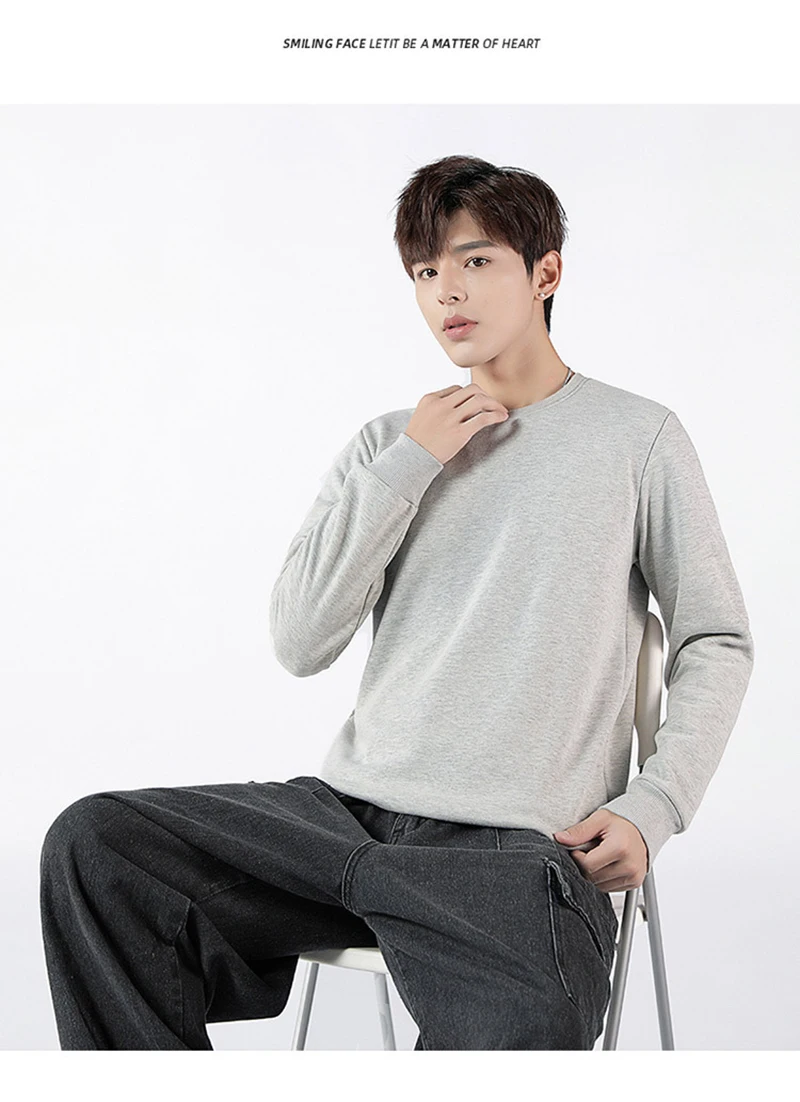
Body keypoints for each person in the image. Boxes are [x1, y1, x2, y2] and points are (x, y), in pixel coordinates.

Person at [39, 154, 754, 1051]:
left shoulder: (637, 438)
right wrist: (411, 464)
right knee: (97, 847)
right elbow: (300, 640)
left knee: (528, 1021)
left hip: (509, 848)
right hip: (341, 819)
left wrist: (655, 806)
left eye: (475, 260)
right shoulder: (389, 445)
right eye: (424, 271)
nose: (446, 290)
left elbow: (715, 639)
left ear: (546, 273)